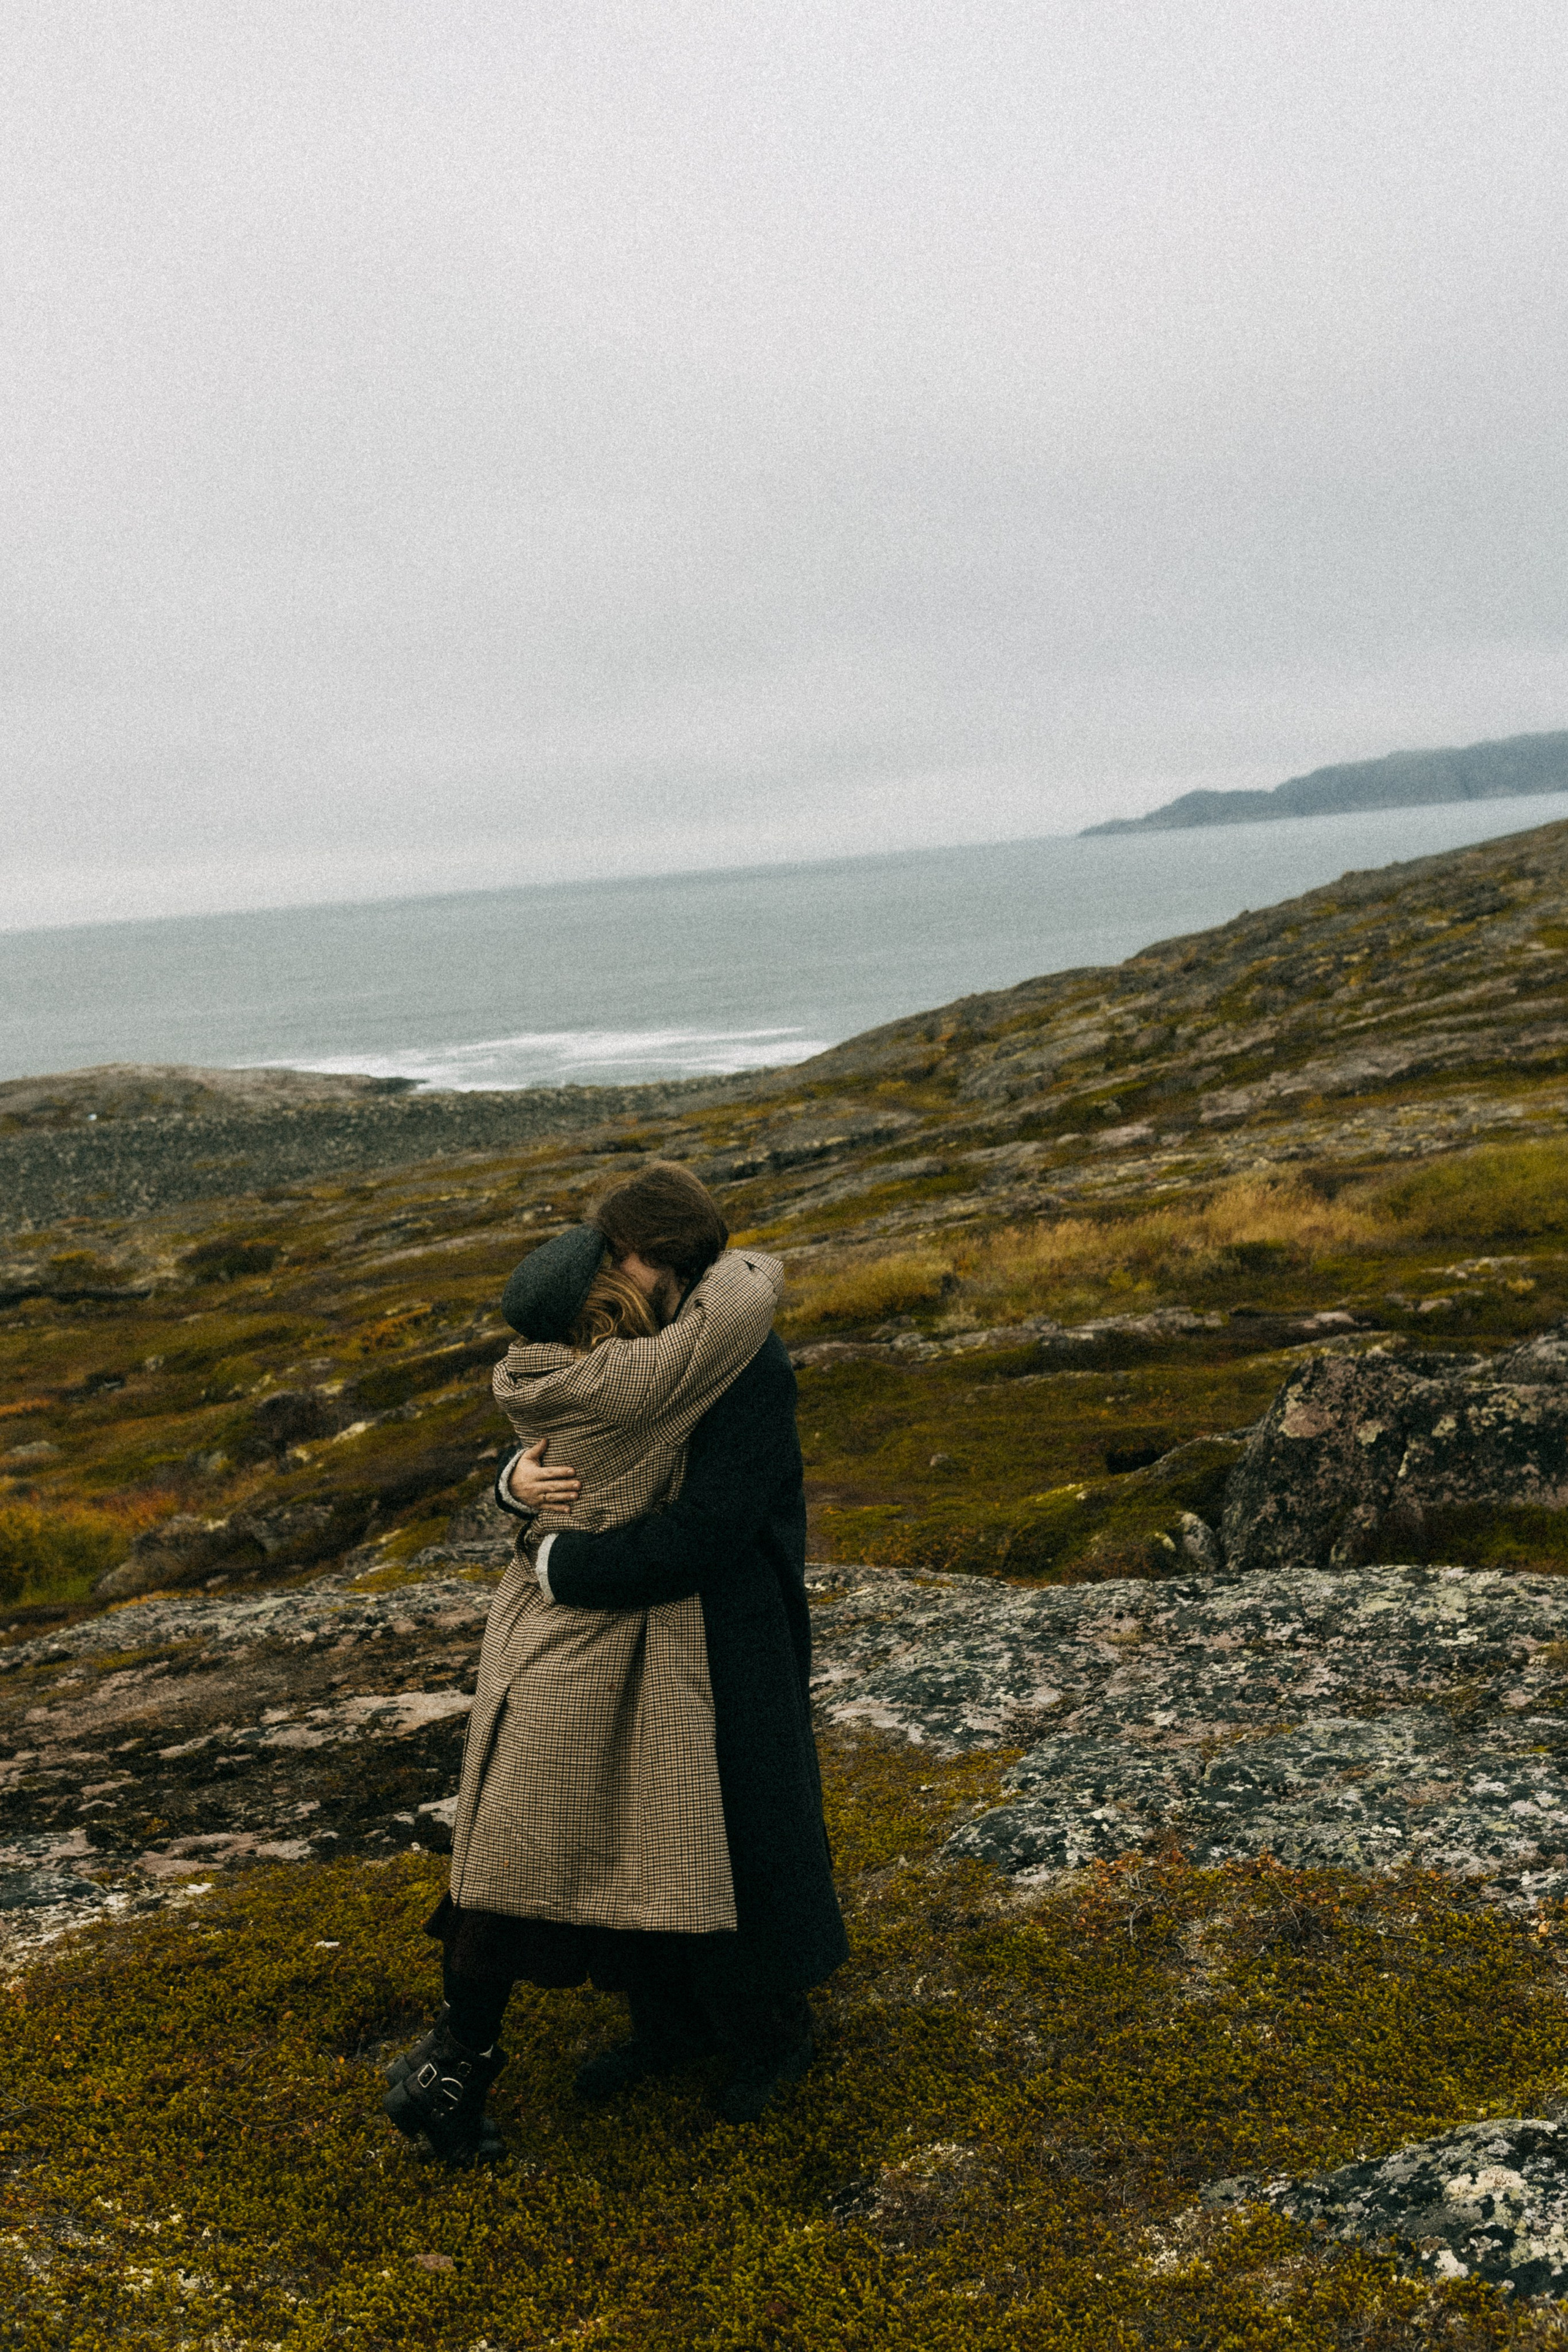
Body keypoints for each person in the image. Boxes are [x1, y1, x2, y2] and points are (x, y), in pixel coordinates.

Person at [383, 1162, 846, 2160]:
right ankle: (666, 2029)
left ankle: (773, 2036)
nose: (606, 1263)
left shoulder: (745, 1368)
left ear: (662, 1260)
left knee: (740, 1831)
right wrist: (516, 1485)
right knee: (646, 1833)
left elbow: (713, 1529)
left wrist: (562, 1562)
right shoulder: (639, 1355)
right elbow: (575, 1452)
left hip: (729, 1629)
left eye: (620, 1249)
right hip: (639, 1626)